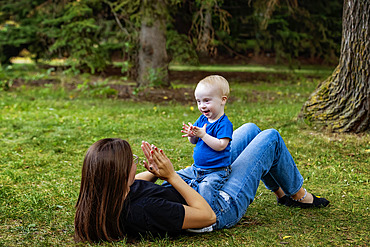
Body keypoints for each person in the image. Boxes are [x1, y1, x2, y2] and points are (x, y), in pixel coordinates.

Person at [74, 123, 329, 243]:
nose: (135, 163)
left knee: (251, 130)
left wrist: (152, 170)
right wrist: (171, 176)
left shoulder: (110, 195)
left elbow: (137, 182)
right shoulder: (145, 211)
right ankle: (297, 195)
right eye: (132, 161)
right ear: (117, 175)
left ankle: (281, 192)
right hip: (219, 205)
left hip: (197, 186)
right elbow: (207, 216)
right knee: (270, 138)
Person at [172, 75, 233, 210]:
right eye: (199, 101)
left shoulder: (224, 124)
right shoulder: (201, 119)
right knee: (174, 178)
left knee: (206, 188)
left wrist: (203, 135)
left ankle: (205, 213)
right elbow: (193, 141)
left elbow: (221, 145)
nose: (202, 106)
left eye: (206, 101)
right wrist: (192, 135)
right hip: (196, 169)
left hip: (216, 171)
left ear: (223, 100)